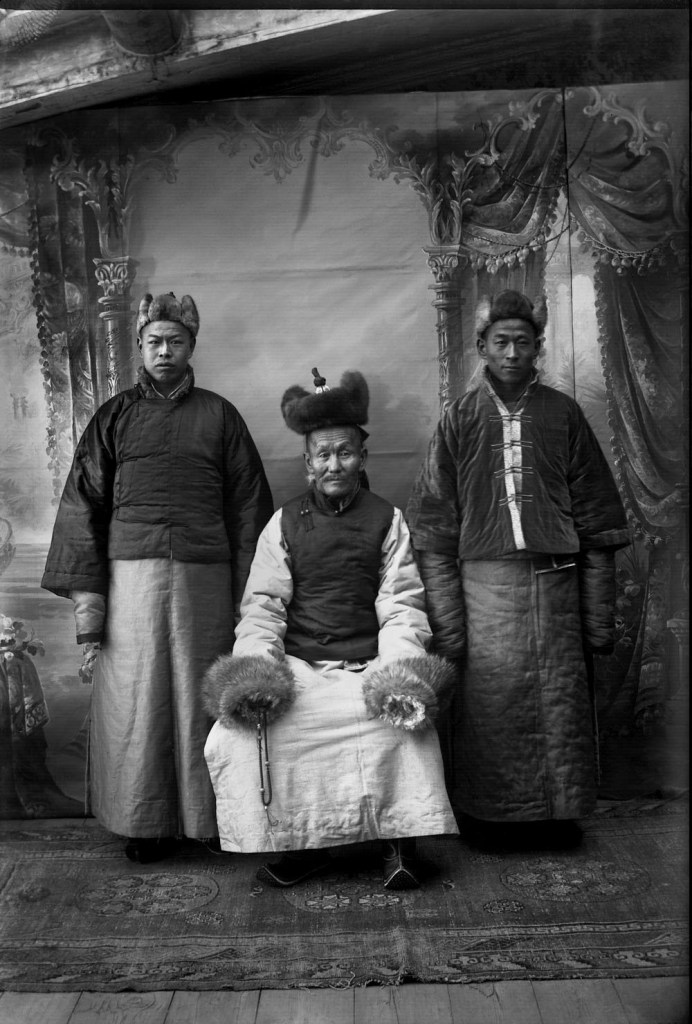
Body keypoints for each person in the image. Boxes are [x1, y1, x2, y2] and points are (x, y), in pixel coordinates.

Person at [203, 368, 458, 889]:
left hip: (368, 661)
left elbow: (402, 605)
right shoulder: (284, 522)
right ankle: (299, 844)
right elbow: (263, 606)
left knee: (405, 727)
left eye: (345, 453)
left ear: (362, 459)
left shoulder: (388, 519)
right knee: (244, 733)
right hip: (301, 666)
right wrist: (259, 670)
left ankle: (399, 845)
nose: (334, 464)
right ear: (307, 463)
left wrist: (397, 672)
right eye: (323, 454)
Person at [41, 291, 273, 861]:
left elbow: (248, 510)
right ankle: (143, 825)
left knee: (205, 692)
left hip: (206, 579)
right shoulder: (114, 417)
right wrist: (91, 608)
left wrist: (253, 596)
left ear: (192, 346)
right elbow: (81, 510)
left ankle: (212, 818)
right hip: (131, 581)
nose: (164, 351)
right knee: (137, 699)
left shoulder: (220, 415)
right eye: (154, 342)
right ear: (139, 348)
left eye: (175, 342)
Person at [405, 290, 630, 846]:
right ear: (481, 347)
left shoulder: (563, 414)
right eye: (500, 342)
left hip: (556, 586)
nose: (511, 353)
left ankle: (558, 815)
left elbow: (598, 521)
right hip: (485, 592)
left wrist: (596, 615)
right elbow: (434, 531)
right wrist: (451, 623)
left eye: (522, 343)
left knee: (559, 704)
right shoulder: (459, 419)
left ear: (537, 348)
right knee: (492, 705)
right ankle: (489, 819)